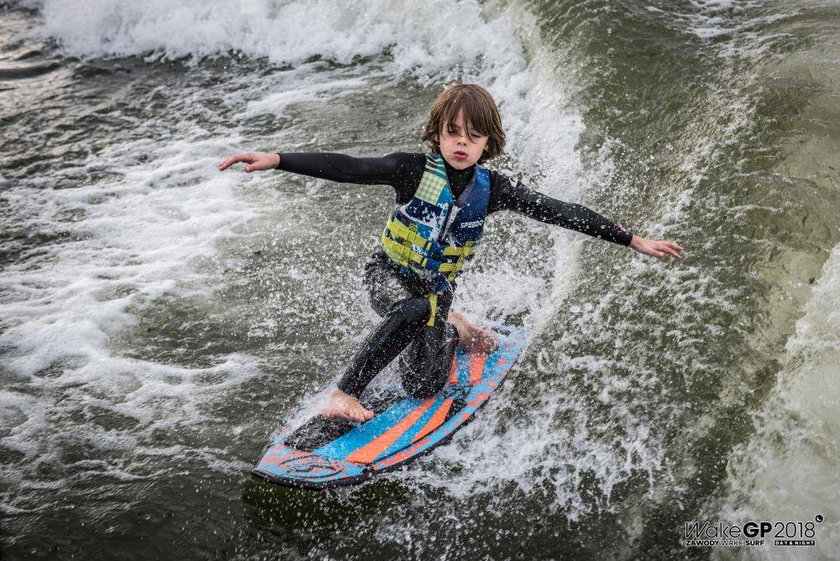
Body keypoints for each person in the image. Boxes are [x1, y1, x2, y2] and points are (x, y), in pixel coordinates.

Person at [219, 84, 683, 423]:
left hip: (436, 294)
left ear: (488, 143)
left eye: (474, 136)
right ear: (437, 134)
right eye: (453, 132)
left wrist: (631, 239)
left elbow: (559, 211)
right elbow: (348, 167)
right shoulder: (411, 170)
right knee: (413, 308)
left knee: (424, 382)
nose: (462, 142)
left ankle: (454, 326)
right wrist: (279, 159)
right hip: (388, 276)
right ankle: (345, 393)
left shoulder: (495, 189)